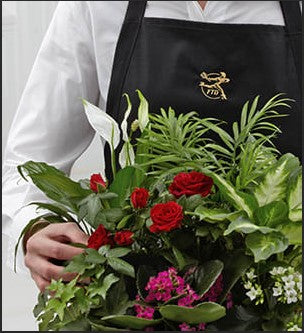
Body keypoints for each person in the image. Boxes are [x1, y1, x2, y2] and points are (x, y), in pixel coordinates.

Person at [2, 1, 302, 292]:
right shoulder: (95, 5)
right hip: (141, 300)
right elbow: (28, 164)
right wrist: (34, 227)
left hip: (286, 294)